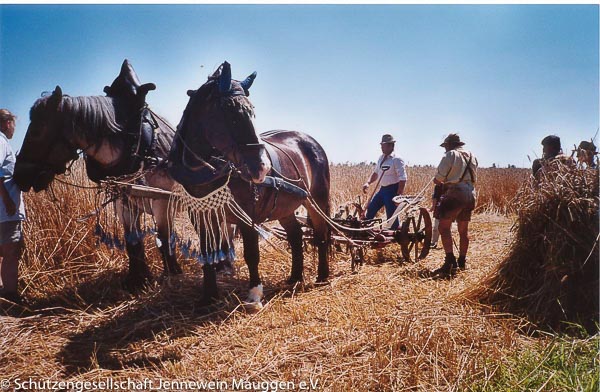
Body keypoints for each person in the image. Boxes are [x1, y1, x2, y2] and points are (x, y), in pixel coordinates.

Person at [429, 133, 477, 277]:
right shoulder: (471, 156)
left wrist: (437, 181)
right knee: (463, 231)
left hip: (455, 193)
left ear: (449, 145)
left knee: (444, 228)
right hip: (470, 194)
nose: (444, 149)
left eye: (445, 146)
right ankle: (462, 261)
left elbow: (438, 179)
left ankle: (450, 261)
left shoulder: (450, 155)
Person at [0, 109, 26, 303]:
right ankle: (10, 295)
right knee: (10, 253)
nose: (14, 130)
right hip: (5, 211)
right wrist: (8, 200)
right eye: (14, 125)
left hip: (3, 210)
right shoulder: (1, 142)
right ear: (7, 123)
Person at [362, 134, 407, 230]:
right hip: (382, 190)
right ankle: (365, 230)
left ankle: (396, 233)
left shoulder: (397, 159)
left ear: (391, 146)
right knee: (371, 208)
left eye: (384, 145)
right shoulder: (381, 158)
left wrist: (398, 195)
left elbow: (402, 178)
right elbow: (375, 173)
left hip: (392, 190)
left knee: (391, 215)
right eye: (381, 145)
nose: (382, 147)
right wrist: (368, 182)